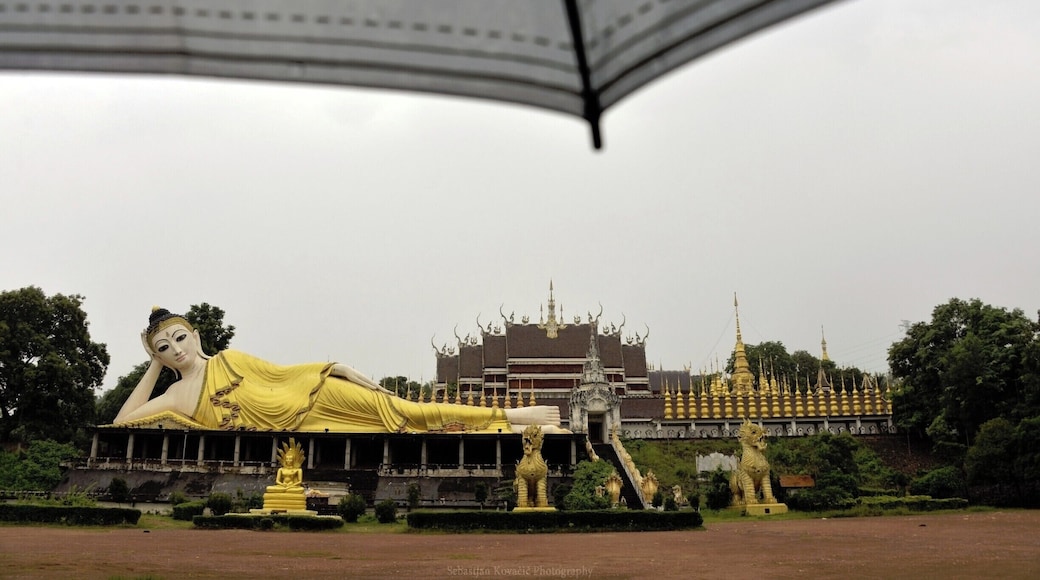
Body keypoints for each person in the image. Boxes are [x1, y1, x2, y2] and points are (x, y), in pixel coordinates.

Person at [114, 307, 562, 433]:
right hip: (307, 427)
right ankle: (506, 419)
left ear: (194, 336)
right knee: (405, 426)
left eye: (177, 338)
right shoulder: (176, 396)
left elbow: (283, 374)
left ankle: (509, 416)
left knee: (406, 410)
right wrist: (150, 367)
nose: (175, 349)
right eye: (162, 349)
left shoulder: (231, 359)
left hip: (316, 394)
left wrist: (335, 368)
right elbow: (121, 423)